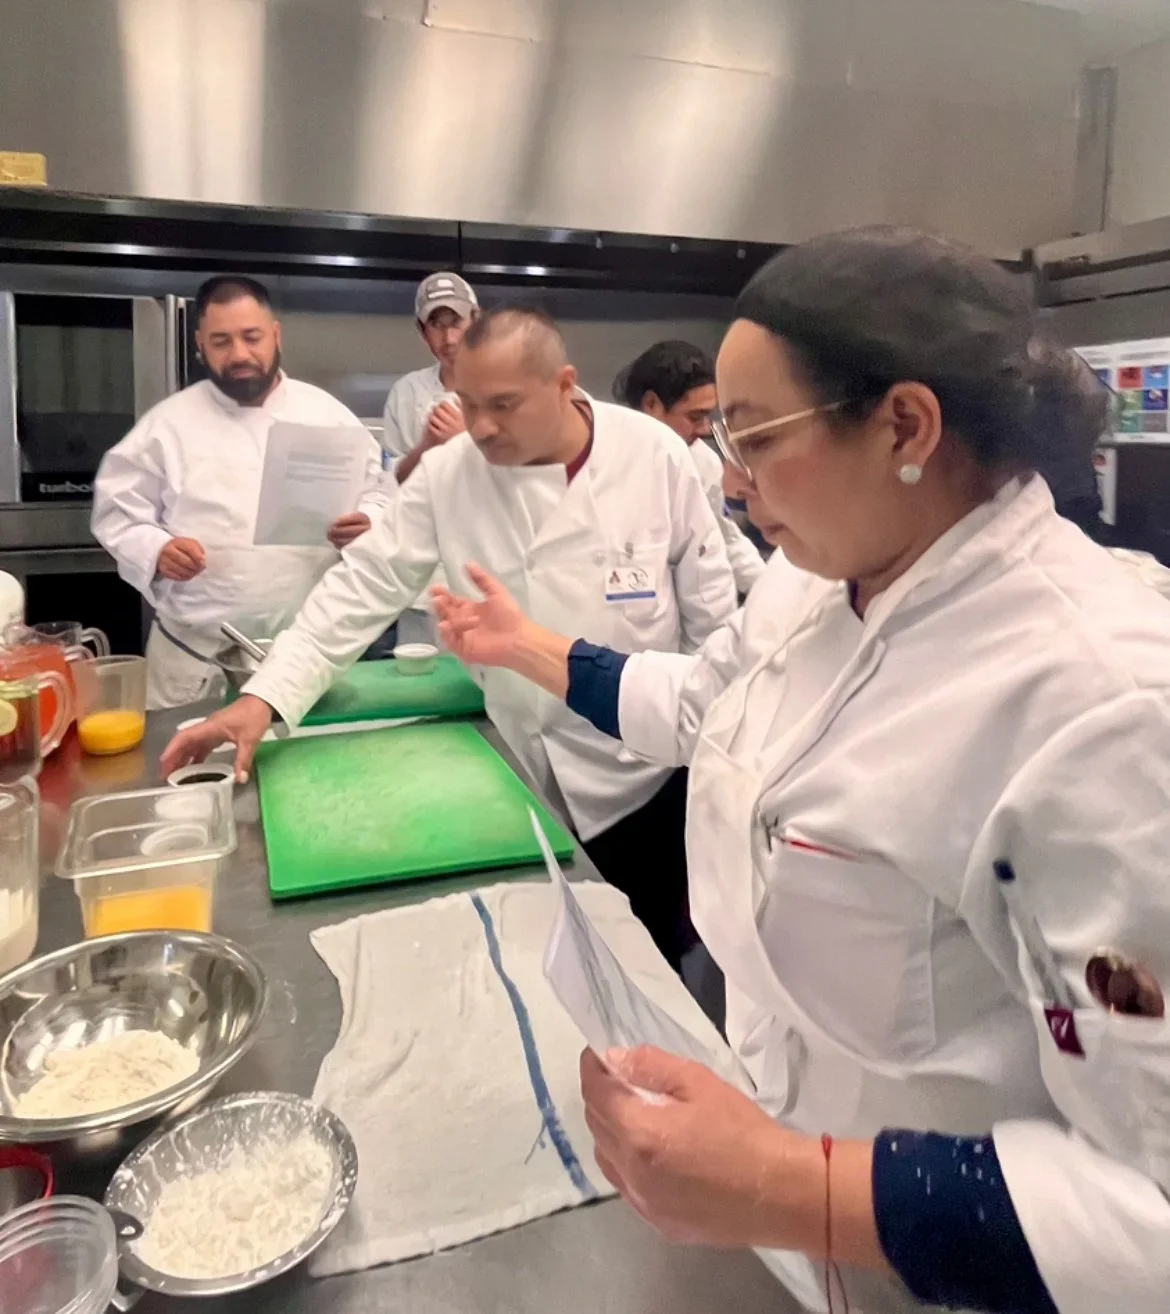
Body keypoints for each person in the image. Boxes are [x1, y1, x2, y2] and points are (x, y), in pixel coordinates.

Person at [428, 230, 1170, 1314]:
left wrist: (790, 1188)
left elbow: (1149, 1208)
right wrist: (524, 647)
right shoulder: (822, 575)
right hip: (781, 1199)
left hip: (952, 1268)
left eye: (755, 438)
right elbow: (701, 705)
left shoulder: (1101, 708)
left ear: (904, 427)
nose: (728, 483)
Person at [162, 307, 738, 969]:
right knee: (543, 966)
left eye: (503, 404)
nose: (482, 425)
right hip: (517, 773)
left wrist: (711, 763)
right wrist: (263, 698)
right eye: (467, 402)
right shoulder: (449, 470)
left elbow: (712, 621)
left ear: (564, 385)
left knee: (655, 964)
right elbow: (361, 588)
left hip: (645, 779)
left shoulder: (655, 452)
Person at [92, 275, 388, 710]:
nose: (240, 355)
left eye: (252, 337)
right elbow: (117, 515)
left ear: (275, 335)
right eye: (221, 341)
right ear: (200, 344)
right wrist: (157, 549)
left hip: (305, 655)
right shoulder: (166, 426)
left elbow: (380, 495)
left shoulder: (329, 416)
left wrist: (370, 522)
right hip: (196, 664)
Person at [615, 341, 767, 594]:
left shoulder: (702, 462)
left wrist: (772, 592)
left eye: (708, 416)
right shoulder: (605, 460)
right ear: (651, 404)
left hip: (686, 608)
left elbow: (722, 538)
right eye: (695, 417)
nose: (705, 429)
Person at [378, 271, 480, 647]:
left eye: (457, 323)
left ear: (476, 319)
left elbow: (523, 474)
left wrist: (463, 441)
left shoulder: (503, 384)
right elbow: (392, 486)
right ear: (423, 332)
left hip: (488, 576)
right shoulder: (407, 393)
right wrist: (427, 447)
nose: (449, 339)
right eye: (436, 326)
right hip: (423, 584)